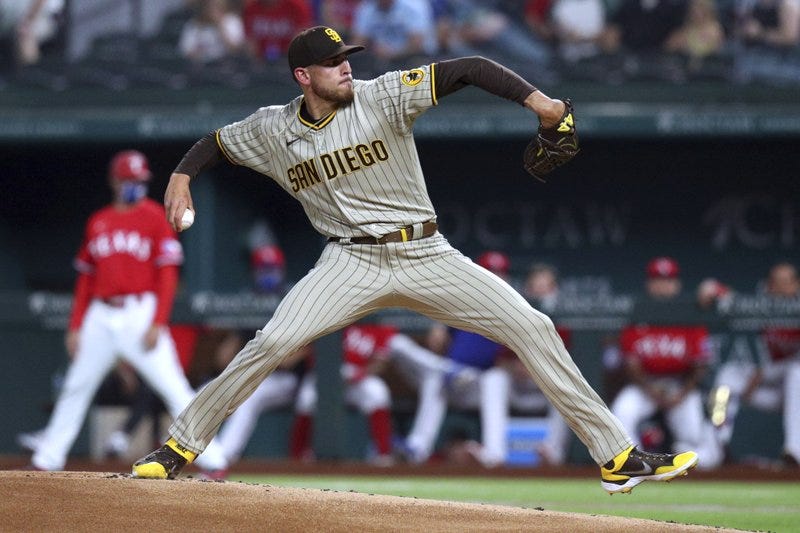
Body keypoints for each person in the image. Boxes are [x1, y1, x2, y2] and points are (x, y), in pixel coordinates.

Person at [132, 25, 698, 494]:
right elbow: (216, 143)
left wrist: (542, 104)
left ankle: (615, 456)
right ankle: (182, 445)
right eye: (331, 63)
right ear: (303, 77)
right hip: (347, 263)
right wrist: (182, 176)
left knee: (534, 325)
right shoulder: (273, 128)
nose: (346, 67)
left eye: (346, 57)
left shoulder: (381, 95)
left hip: (425, 251)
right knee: (273, 343)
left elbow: (471, 67)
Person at [24, 150, 229, 477]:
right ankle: (47, 458)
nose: (135, 185)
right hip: (100, 316)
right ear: (115, 181)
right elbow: (86, 279)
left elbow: (167, 275)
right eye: (129, 179)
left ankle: (215, 460)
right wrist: (76, 326)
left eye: (140, 180)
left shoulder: (154, 217)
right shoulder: (99, 222)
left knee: (173, 387)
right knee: (76, 385)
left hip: (140, 313)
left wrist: (158, 321)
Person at [403, 251, 570, 467]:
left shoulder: (525, 310)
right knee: (431, 368)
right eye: (491, 273)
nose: (496, 278)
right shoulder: (460, 304)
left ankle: (550, 453)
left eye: (500, 274)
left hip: (541, 386)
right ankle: (419, 449)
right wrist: (438, 328)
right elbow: (439, 342)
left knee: (563, 386)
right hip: (481, 381)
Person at [609, 257, 722, 469]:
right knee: (622, 412)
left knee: (695, 438)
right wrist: (650, 390)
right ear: (648, 284)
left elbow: (700, 365)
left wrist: (682, 393)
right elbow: (631, 363)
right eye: (656, 280)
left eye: (668, 280)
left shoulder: (692, 314)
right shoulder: (637, 313)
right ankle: (640, 464)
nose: (662, 285)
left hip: (681, 386)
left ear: (677, 284)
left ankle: (678, 462)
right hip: (645, 384)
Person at [213, 243, 317, 464]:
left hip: (286, 381)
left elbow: (289, 361)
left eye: (272, 269)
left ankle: (222, 458)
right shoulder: (251, 301)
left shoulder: (292, 299)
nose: (268, 275)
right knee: (203, 391)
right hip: (254, 374)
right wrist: (238, 331)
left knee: (249, 396)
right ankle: (175, 450)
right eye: (263, 269)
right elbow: (222, 359)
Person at [709, 261, 800, 467]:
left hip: (791, 391)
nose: (782, 287)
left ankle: (795, 451)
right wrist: (711, 288)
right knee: (726, 378)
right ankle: (717, 443)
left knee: (797, 373)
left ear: (797, 284)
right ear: (769, 285)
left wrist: (760, 371)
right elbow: (723, 294)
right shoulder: (760, 303)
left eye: (787, 282)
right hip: (762, 384)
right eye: (776, 282)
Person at [350, 0, 438, 68]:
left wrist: (393, 53)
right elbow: (357, 43)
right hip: (379, 57)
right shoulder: (366, 8)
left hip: (412, 56)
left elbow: (417, 43)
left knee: (418, 66)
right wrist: (373, 47)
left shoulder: (414, 5)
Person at [242, 0, 314, 62]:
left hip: (290, 60)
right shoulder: (251, 8)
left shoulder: (296, 6)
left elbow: (301, 39)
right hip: (260, 61)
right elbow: (250, 42)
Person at [178, 0, 246, 65]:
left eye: (216, 7)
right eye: (210, 7)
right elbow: (186, 52)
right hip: (202, 65)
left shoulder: (232, 20)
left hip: (226, 64)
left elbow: (234, 50)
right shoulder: (194, 24)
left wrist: (219, 26)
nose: (213, 11)